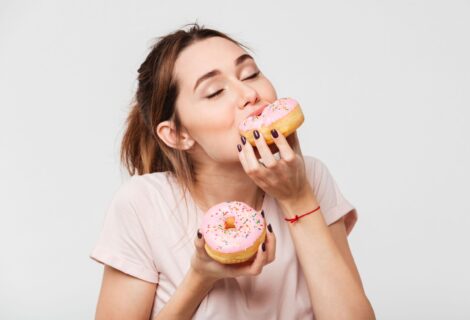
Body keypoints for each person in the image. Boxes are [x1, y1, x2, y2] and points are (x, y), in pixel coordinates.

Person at [90, 23, 375, 320]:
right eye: (214, 92)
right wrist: (200, 277)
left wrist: (298, 198)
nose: (250, 93)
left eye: (250, 74)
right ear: (177, 134)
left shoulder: (309, 177)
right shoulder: (142, 204)